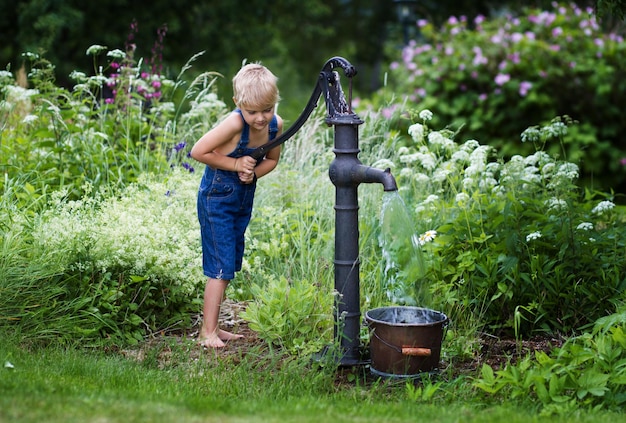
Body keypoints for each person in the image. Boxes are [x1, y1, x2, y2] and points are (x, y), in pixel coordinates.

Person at [190, 63, 283, 348]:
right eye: (252, 111)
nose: (260, 118)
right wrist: (234, 163)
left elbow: (272, 160)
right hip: (216, 199)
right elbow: (198, 151)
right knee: (219, 267)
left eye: (266, 109)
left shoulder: (275, 125)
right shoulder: (233, 124)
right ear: (238, 104)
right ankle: (207, 333)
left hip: (241, 200)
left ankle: (214, 326)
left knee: (229, 263)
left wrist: (253, 172)